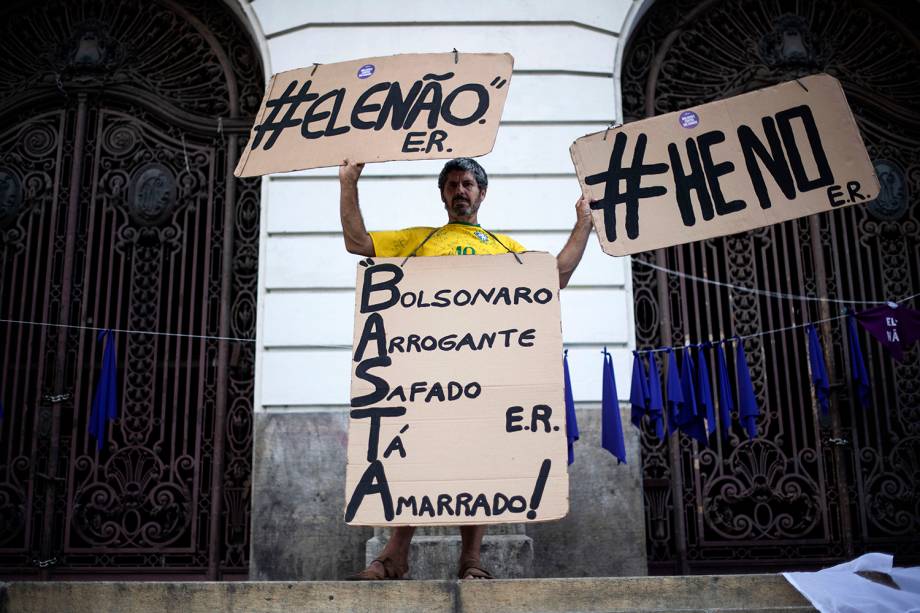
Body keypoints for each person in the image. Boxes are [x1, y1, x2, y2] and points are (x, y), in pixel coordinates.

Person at [339, 156, 592, 580]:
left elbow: (558, 275)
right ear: (442, 193)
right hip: (420, 376)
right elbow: (357, 241)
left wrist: (584, 221)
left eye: (468, 184)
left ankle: (471, 559)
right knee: (412, 456)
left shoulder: (505, 248)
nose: (460, 190)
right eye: (453, 184)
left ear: (482, 193)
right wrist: (348, 181)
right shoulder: (415, 241)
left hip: (485, 378)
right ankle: (395, 555)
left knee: (477, 458)